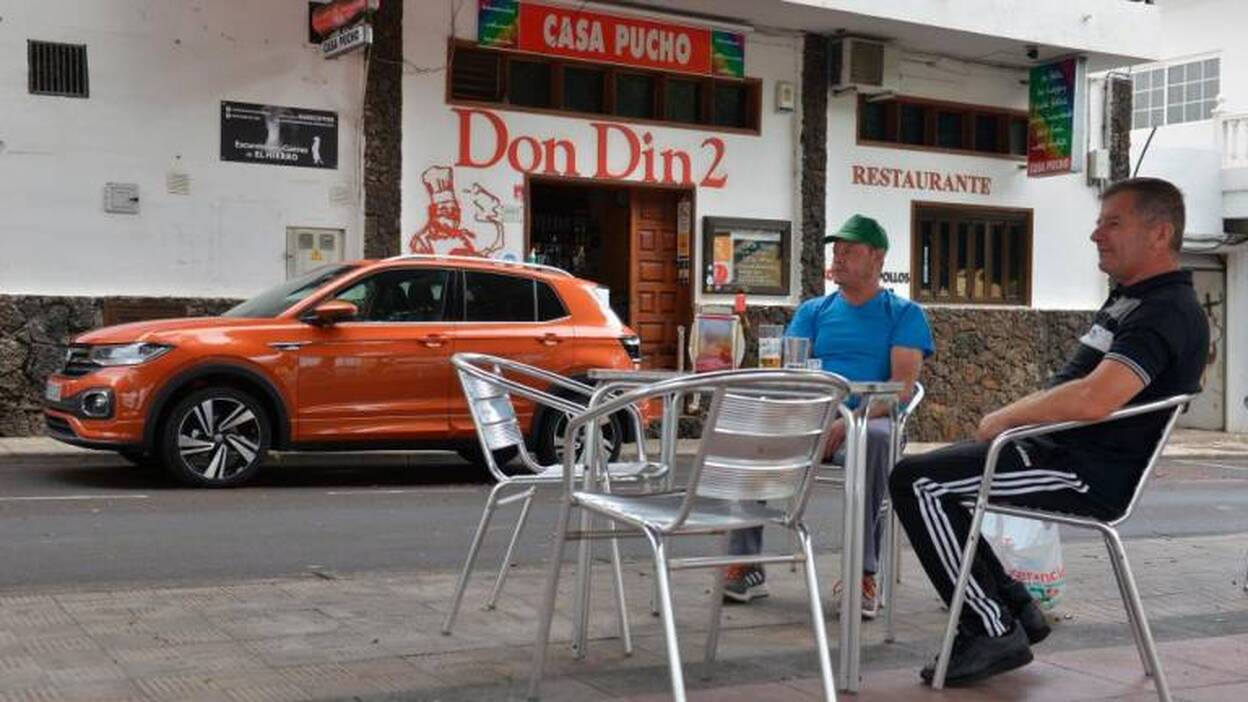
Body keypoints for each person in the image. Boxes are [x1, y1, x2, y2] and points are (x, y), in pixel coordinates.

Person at [889, 177, 1209, 687]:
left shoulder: (1165, 311)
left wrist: (1009, 417)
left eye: (1113, 223)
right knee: (931, 477)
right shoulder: (1133, 299)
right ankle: (1015, 608)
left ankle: (992, 628)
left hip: (1083, 474)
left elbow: (1095, 397)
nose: (1096, 234)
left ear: (1159, 233)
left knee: (919, 482)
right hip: (1051, 454)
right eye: (1099, 221)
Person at [723, 214, 934, 614]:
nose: (838, 258)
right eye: (836, 251)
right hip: (813, 418)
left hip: (868, 422)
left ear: (877, 258)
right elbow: (791, 375)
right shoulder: (814, 311)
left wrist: (848, 420)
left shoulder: (903, 314)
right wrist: (815, 417)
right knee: (755, 433)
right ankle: (745, 562)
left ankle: (863, 573)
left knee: (874, 440)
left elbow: (900, 390)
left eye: (849, 251)